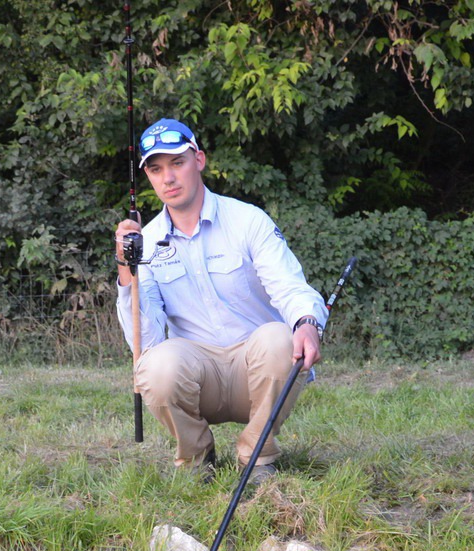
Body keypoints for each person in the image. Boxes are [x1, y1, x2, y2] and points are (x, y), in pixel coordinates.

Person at [115, 118, 328, 485]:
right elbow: (145, 344)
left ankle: (257, 457)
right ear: (148, 176)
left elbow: (289, 285)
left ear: (199, 160)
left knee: (280, 337)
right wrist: (125, 272)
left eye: (177, 163)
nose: (168, 178)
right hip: (200, 377)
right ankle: (197, 459)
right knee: (155, 367)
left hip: (258, 369)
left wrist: (307, 323)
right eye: (155, 168)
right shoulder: (145, 244)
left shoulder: (247, 220)